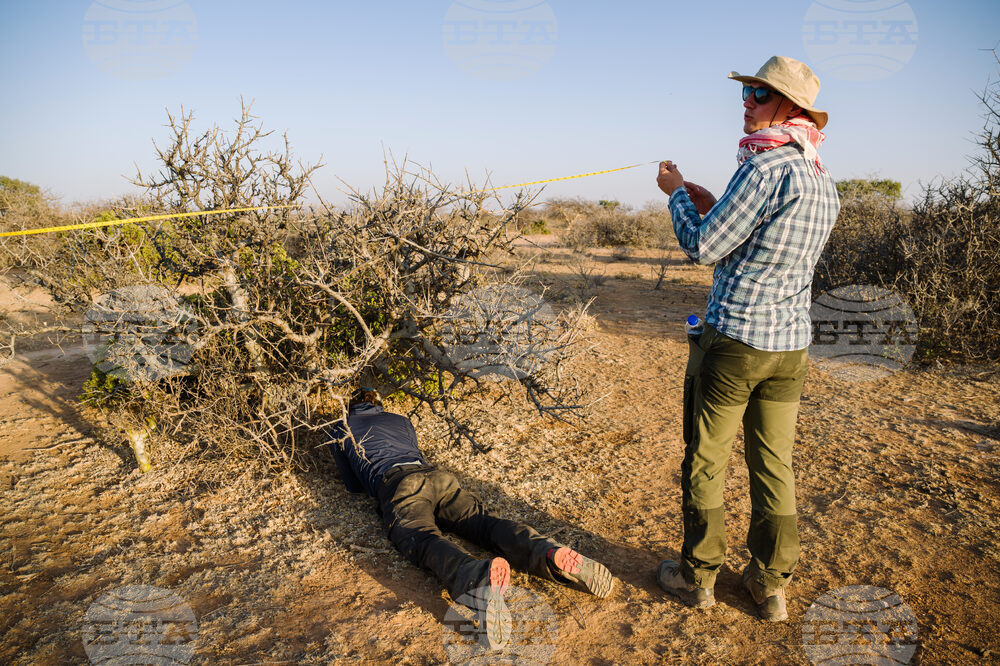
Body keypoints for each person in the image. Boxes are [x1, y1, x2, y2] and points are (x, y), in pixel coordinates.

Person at [653, 56, 840, 621]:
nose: (748, 101)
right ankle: (771, 585)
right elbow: (766, 248)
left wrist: (678, 194)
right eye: (749, 91)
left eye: (760, 93)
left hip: (735, 341)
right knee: (774, 463)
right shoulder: (820, 178)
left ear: (791, 107)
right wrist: (714, 207)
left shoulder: (761, 169)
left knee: (707, 460)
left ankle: (698, 577)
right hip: (790, 349)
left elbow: (703, 248)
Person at [327, 387, 615, 648]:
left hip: (398, 485)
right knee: (482, 523)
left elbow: (352, 486)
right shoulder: (401, 420)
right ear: (378, 403)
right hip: (437, 477)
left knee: (423, 537)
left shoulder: (341, 427)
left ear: (350, 407)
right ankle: (547, 551)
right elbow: (417, 453)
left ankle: (477, 578)